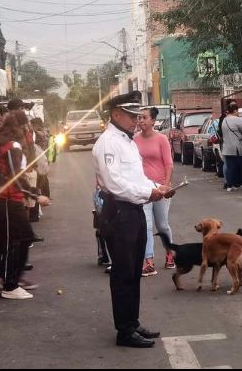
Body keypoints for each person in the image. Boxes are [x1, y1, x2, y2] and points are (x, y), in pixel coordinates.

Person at [92, 91, 172, 348]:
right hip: (120, 212)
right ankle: (124, 330)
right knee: (123, 273)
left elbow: (136, 178)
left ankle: (132, 322)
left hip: (134, 209)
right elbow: (115, 184)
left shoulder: (127, 141)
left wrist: (156, 187)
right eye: (131, 115)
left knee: (134, 271)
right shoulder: (108, 143)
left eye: (138, 115)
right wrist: (148, 192)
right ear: (116, 114)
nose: (137, 120)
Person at [0, 111, 50, 300]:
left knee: (16, 239)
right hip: (8, 200)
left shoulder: (2, 144)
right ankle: (10, 284)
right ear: (20, 127)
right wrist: (35, 195)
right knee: (17, 239)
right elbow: (15, 177)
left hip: (6, 199)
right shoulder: (12, 146)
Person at [135, 107, 175, 276]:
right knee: (146, 226)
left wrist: (165, 186)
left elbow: (169, 164)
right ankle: (149, 261)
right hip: (143, 189)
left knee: (162, 225)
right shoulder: (134, 140)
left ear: (153, 121)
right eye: (139, 118)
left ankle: (170, 253)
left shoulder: (161, 139)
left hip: (160, 187)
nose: (141, 121)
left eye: (144, 118)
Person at [221, 103, 242, 192]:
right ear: (235, 111)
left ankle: (229, 185)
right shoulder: (237, 119)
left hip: (227, 147)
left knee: (230, 167)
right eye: (237, 111)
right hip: (238, 147)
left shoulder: (224, 120)